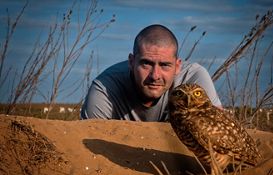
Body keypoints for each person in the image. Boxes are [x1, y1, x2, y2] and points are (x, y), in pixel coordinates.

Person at [81, 24, 222, 121]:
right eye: (146, 64)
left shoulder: (194, 79)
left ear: (178, 66)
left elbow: (218, 138)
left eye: (165, 65)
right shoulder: (105, 87)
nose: (155, 75)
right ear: (131, 62)